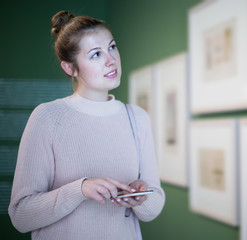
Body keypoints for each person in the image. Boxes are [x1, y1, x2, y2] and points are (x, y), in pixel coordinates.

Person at [8, 10, 165, 240]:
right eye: (96, 54)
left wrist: (142, 197)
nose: (111, 60)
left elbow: (154, 206)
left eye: (112, 47)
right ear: (69, 68)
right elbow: (21, 215)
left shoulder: (137, 118)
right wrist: (80, 189)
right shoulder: (47, 117)